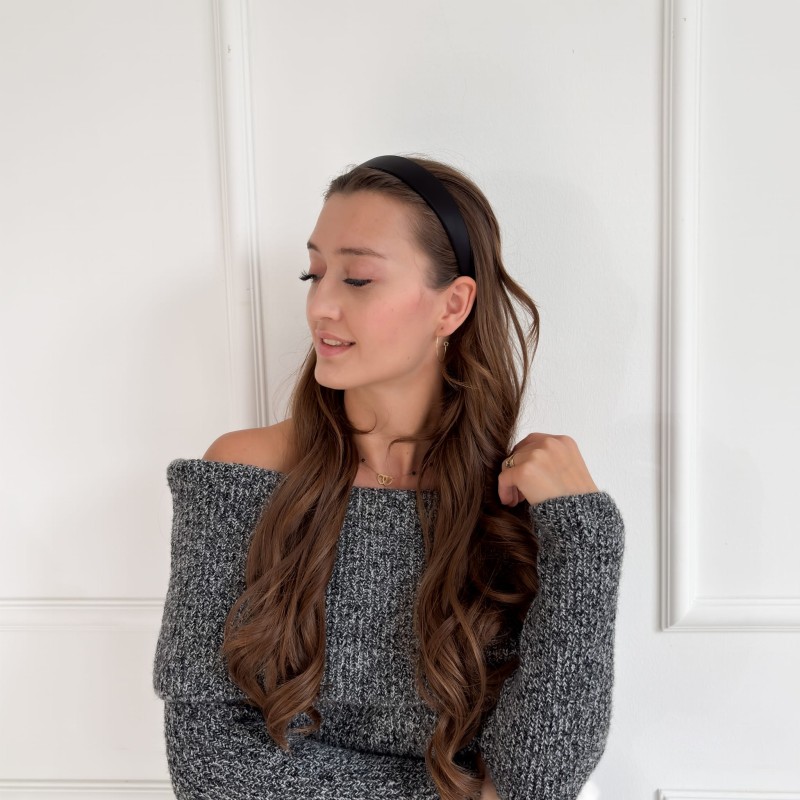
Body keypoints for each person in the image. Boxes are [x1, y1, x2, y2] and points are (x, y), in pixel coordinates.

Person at [152, 155, 626, 800]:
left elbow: (538, 779)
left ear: (452, 305)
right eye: (314, 273)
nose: (320, 305)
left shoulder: (523, 503)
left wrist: (586, 537)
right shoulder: (243, 474)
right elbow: (208, 763)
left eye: (358, 278)